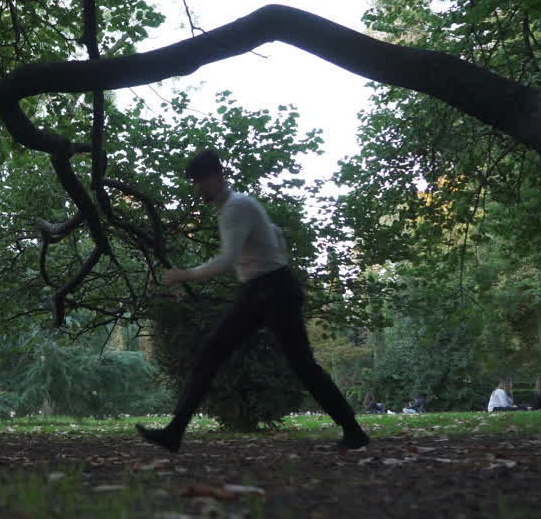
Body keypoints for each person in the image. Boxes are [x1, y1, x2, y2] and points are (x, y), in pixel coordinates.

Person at [136, 149, 369, 452]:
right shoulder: (237, 206)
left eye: (201, 181)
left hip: (271, 291)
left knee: (296, 364)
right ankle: (174, 432)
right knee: (216, 356)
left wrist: (185, 274)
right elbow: (275, 233)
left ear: (218, 177)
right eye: (195, 182)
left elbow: (228, 258)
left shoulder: (235, 207)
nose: (198, 188)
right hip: (265, 288)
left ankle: (353, 430)